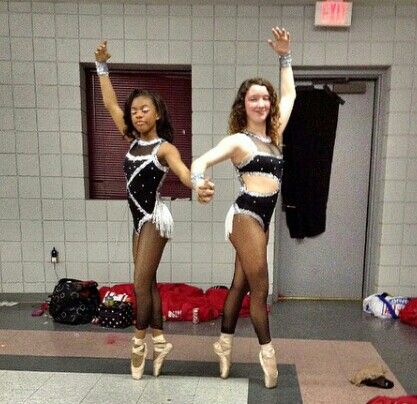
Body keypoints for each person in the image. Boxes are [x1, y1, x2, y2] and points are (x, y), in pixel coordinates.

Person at [94, 41, 214, 380]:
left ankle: (139, 342)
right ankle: (160, 341)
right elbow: (109, 103)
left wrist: (199, 184)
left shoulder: (164, 148)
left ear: (157, 113)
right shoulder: (132, 140)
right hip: (136, 220)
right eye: (134, 110)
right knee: (149, 283)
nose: (136, 114)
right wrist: (102, 68)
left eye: (143, 109)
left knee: (139, 283)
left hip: (154, 220)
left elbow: (183, 172)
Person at [191, 27, 296, 388]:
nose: (262, 104)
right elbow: (200, 161)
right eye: (254, 99)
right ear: (243, 104)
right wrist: (199, 183)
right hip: (244, 216)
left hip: (263, 221)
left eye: (265, 98)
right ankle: (268, 355)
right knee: (260, 287)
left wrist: (284, 57)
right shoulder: (239, 140)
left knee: (238, 285)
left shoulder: (275, 135)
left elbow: (290, 93)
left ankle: (223, 344)